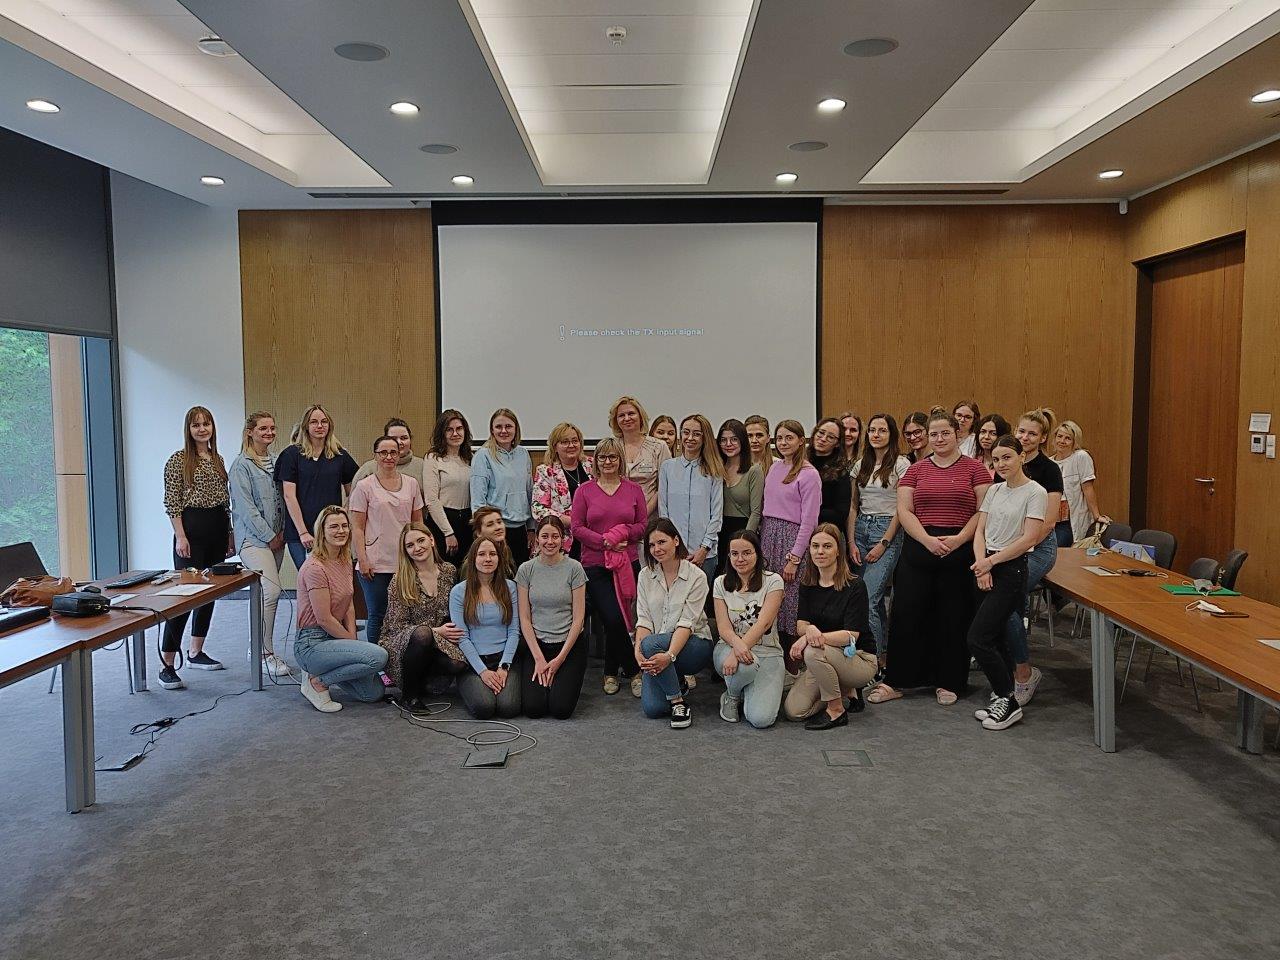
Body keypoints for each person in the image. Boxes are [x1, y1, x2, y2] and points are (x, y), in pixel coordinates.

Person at [869, 411, 990, 706]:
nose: (939, 439)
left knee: (953, 616)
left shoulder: (976, 469)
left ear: (956, 434)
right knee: (907, 614)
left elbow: (983, 510)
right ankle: (897, 680)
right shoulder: (915, 470)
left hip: (959, 548)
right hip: (919, 548)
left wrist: (959, 539)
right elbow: (905, 510)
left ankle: (949, 681)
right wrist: (926, 540)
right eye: (933, 434)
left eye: (945, 433)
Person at [968, 436, 1048, 732]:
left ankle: (1007, 698)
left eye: (1007, 457)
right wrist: (982, 565)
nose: (1001, 464)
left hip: (1011, 568)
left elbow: (1029, 538)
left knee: (978, 638)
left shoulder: (1035, 492)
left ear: (1021, 457)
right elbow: (980, 531)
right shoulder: (994, 490)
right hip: (985, 565)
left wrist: (992, 562)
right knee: (997, 637)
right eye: (996, 459)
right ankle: (1004, 698)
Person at [159, 406, 233, 689]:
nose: (202, 429)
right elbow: (172, 502)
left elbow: (224, 501)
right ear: (188, 430)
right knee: (185, 597)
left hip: (217, 528)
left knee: (209, 593)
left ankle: (196, 651)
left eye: (206, 424)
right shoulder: (178, 460)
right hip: (191, 531)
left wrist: (229, 534)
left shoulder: (218, 459)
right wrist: (180, 536)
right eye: (196, 425)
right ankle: (167, 664)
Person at [570, 437, 648, 697]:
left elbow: (642, 525)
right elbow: (577, 527)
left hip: (627, 563)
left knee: (625, 619)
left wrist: (624, 533)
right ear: (595, 461)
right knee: (612, 618)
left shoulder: (634, 490)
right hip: (595, 565)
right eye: (602, 457)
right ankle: (635, 671)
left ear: (620, 460)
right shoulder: (584, 491)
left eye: (613, 457)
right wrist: (604, 541)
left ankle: (610, 672)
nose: (607, 462)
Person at [294, 506, 391, 713]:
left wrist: (352, 640)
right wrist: (352, 644)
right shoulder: (314, 568)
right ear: (322, 531)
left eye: (345, 526)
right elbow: (324, 619)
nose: (341, 531)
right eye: (334, 527)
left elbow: (349, 604)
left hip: (336, 637)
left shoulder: (344, 559)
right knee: (379, 657)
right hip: (312, 642)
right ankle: (317, 682)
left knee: (373, 693)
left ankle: (328, 669)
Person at [783, 524, 879, 729]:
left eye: (827, 546)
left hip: (858, 658)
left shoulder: (855, 585)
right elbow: (801, 625)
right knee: (795, 711)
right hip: (825, 655)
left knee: (812, 651)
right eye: (815, 546)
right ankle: (845, 690)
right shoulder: (807, 583)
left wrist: (809, 637)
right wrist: (808, 631)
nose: (820, 551)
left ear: (838, 551)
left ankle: (836, 710)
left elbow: (850, 635)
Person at [1003, 407, 1064, 705]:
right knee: (1005, 601)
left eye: (1032, 434)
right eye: (1021, 431)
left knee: (1006, 598)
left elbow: (1048, 522)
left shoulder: (1049, 470)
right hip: (1009, 547)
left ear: (1042, 438)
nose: (1025, 437)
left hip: (1038, 548)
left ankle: (1023, 673)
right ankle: (1010, 661)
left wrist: (1020, 548)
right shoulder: (1008, 462)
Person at [228, 411, 291, 679]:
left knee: (265, 595)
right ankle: (263, 653)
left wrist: (282, 531)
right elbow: (246, 508)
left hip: (277, 537)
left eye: (272, 428)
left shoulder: (276, 461)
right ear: (250, 432)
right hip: (253, 540)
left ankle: (258, 647)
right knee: (271, 592)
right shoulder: (241, 466)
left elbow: (284, 499)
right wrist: (268, 535)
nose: (269, 432)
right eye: (263, 428)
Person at [634, 519, 713, 728]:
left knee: (651, 644)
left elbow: (686, 624)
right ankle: (675, 680)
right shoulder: (645, 575)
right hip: (656, 646)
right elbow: (644, 618)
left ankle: (678, 701)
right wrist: (638, 651)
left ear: (676, 540)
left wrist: (668, 656)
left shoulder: (696, 576)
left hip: (694, 644)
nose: (656, 549)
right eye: (652, 545)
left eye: (662, 542)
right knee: (653, 709)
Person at [349, 436, 425, 646]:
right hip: (375, 563)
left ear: (399, 455)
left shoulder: (411, 484)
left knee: (407, 614)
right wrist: (362, 558)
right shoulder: (364, 486)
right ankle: (376, 661)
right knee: (377, 613)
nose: (389, 457)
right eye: (383, 452)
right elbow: (357, 527)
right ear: (375, 456)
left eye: (393, 452)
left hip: (405, 561)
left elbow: (418, 523)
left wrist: (420, 556)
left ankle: (399, 658)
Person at [381, 523, 462, 709]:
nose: (417, 548)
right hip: (403, 640)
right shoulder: (400, 579)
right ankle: (409, 696)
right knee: (423, 634)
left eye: (421, 540)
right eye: (410, 545)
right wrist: (436, 631)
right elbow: (397, 626)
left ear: (431, 540)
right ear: (406, 551)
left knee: (457, 663)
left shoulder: (449, 571)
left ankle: (423, 681)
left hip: (438, 639)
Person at [850, 413, 909, 670]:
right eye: (872, 430)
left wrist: (884, 542)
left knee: (869, 598)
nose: (876, 434)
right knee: (868, 599)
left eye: (882, 430)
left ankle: (870, 661)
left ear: (891, 434)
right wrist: (851, 542)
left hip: (886, 529)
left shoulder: (901, 464)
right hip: (861, 528)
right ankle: (882, 653)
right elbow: (853, 506)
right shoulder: (860, 464)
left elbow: (902, 509)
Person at [758, 419, 821, 654]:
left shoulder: (809, 474)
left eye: (789, 438)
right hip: (769, 536)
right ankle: (773, 656)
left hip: (792, 540)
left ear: (801, 441)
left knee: (791, 602)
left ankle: (794, 662)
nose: (784, 442)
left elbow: (809, 521)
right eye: (780, 438)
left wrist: (795, 558)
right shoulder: (774, 468)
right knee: (770, 596)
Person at [516, 517, 588, 719]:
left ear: (563, 539)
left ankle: (561, 680)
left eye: (555, 536)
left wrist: (560, 660)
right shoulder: (526, 569)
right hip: (537, 645)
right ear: (537, 539)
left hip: (568, 646)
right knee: (534, 709)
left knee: (561, 710)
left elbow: (578, 619)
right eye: (545, 536)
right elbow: (525, 618)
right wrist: (539, 659)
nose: (550, 541)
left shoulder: (574, 568)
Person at [712, 530, 785, 728]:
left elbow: (764, 623)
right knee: (747, 665)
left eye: (746, 553)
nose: (740, 559)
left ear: (757, 554)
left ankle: (745, 686)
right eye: (734, 554)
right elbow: (723, 627)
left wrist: (739, 650)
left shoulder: (774, 580)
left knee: (761, 719)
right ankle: (732, 695)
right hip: (728, 647)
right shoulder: (720, 583)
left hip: (767, 651)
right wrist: (737, 649)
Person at [275, 404, 358, 569]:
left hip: (331, 532)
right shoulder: (292, 454)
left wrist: (342, 517)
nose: (320, 426)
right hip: (301, 533)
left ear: (330, 425)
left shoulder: (340, 455)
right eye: (314, 422)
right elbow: (289, 496)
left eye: (324, 421)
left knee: (334, 578)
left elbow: (354, 492)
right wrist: (303, 532)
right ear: (306, 426)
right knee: (311, 578)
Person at [450, 537, 522, 719]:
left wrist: (504, 667)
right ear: (473, 559)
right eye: (482, 554)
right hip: (473, 662)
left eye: (493, 554)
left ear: (499, 558)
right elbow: (462, 637)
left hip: (504, 659)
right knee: (484, 708)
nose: (488, 559)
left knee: (509, 708)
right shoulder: (459, 592)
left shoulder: (511, 587)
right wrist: (483, 672)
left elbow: (514, 632)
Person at [658, 413, 724, 585]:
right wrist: (672, 547)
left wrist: (704, 549)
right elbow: (663, 512)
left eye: (696, 434)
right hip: (673, 552)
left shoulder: (714, 471)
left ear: (704, 438)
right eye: (686, 432)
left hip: (704, 554)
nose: (690, 438)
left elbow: (716, 515)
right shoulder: (667, 468)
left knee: (700, 599)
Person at [470, 407, 534, 566]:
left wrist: (531, 528)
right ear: (492, 430)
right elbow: (478, 501)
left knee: (519, 576)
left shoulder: (523, 454)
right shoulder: (483, 456)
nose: (504, 431)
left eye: (508, 426)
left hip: (521, 530)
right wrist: (483, 534)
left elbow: (529, 493)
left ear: (516, 429)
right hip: (496, 530)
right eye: (498, 427)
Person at [532, 421, 593, 559]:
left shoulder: (592, 465)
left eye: (575, 441)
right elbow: (538, 509)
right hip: (561, 542)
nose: (571, 445)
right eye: (565, 442)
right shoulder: (545, 472)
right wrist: (573, 522)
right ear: (555, 447)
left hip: (592, 538)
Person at [423, 409, 473, 568]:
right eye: (449, 430)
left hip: (467, 522)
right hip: (443, 523)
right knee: (445, 571)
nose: (455, 433)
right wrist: (448, 532)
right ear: (442, 433)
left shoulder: (470, 458)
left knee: (466, 572)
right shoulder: (433, 458)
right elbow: (431, 500)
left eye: (459, 429)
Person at [716, 419, 763, 578]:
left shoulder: (754, 470)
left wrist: (744, 541)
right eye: (723, 440)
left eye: (734, 439)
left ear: (743, 440)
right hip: (718, 532)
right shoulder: (716, 468)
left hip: (742, 530)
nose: (728, 444)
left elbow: (756, 512)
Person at [610, 395, 670, 516]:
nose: (627, 418)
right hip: (617, 517)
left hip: (650, 517)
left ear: (640, 416)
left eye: (631, 413)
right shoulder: (611, 448)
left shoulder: (659, 447)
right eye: (621, 415)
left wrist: (643, 514)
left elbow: (664, 487)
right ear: (616, 421)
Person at [809, 417, 856, 560]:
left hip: (825, 535)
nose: (823, 439)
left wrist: (807, 513)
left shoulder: (840, 472)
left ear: (837, 444)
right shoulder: (799, 463)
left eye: (830, 437)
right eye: (821, 433)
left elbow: (840, 513)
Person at [1052, 419, 1105, 543]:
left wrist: (1096, 515)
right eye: (1059, 436)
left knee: (1060, 548)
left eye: (1068, 438)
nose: (1062, 441)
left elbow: (1088, 488)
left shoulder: (1081, 457)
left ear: (1074, 441)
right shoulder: (1049, 462)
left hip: (1070, 521)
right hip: (1051, 521)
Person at [351, 417, 425, 490]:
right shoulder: (369, 468)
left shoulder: (423, 466)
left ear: (410, 440)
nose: (399, 442)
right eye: (393, 438)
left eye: (404, 438)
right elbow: (354, 496)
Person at [469, 506, 516, 577]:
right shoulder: (472, 562)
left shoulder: (506, 550)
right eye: (490, 525)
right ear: (479, 532)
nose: (498, 527)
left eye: (499, 522)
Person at [974, 413, 1012, 479]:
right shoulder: (974, 459)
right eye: (983, 432)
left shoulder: (1007, 463)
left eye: (993, 433)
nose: (986, 437)